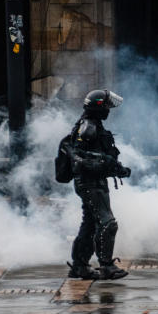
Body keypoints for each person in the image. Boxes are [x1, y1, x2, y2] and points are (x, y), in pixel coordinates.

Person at [68, 89, 131, 281]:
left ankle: (80, 266)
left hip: (94, 181)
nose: (108, 111)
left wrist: (115, 167)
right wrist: (108, 163)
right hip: (89, 182)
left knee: (90, 224)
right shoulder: (88, 127)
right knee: (107, 223)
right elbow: (79, 156)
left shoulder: (91, 124)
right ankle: (106, 266)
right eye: (105, 107)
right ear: (97, 108)